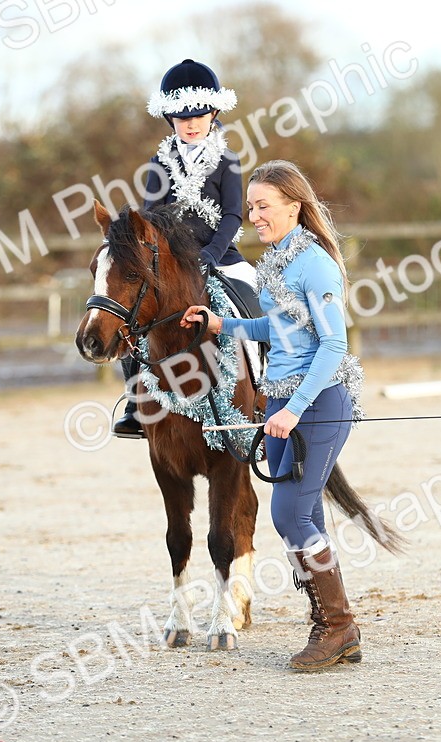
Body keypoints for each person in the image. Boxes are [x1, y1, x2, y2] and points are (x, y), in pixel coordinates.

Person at [180, 160, 367, 671]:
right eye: (250, 207)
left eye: (263, 206)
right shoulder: (276, 260)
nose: (253, 216)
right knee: (301, 517)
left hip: (319, 401)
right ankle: (332, 624)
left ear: (294, 206)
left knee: (288, 514)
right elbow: (276, 328)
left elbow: (333, 345)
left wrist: (296, 410)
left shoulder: (315, 264)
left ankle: (337, 625)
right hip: (282, 402)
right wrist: (222, 324)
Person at [113, 58, 254, 439]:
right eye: (182, 117)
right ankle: (135, 405)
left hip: (220, 256)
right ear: (170, 119)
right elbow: (150, 217)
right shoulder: (159, 163)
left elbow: (232, 215)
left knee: (256, 296)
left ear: (214, 114)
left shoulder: (228, 161)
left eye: (199, 116)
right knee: (136, 317)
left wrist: (211, 254)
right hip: (171, 263)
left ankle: (268, 384)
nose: (191, 124)